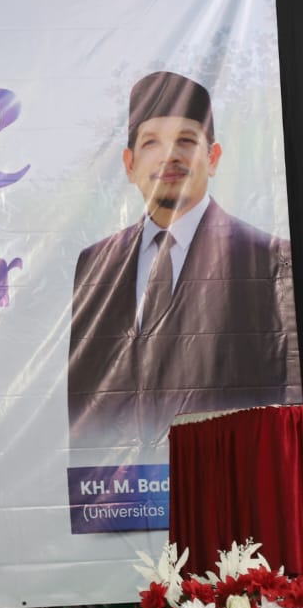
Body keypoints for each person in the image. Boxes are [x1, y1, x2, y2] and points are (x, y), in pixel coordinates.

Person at [68, 71, 301, 451]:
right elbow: (86, 395)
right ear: (129, 164)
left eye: (186, 141)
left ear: (213, 158)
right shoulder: (96, 263)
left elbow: (285, 388)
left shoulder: (269, 259)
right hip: (123, 477)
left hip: (226, 464)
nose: (169, 156)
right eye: (151, 142)